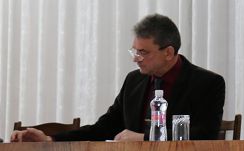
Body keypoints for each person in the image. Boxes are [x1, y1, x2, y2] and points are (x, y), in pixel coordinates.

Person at [11, 14, 225, 142]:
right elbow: (103, 128)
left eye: (143, 52)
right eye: (134, 51)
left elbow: (204, 134)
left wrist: (144, 138)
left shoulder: (207, 84)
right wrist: (50, 139)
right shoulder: (134, 81)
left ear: (168, 52)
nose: (136, 59)